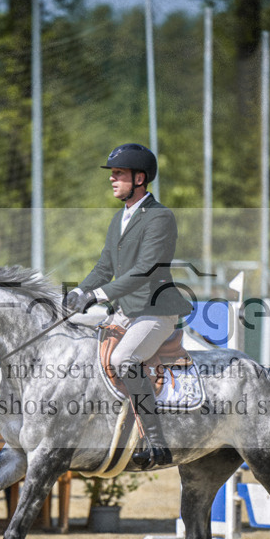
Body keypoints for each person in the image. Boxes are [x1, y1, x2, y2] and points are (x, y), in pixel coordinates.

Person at [65, 143, 193, 470]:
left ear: (140, 178)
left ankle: (156, 441)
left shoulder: (160, 217)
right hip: (125, 311)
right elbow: (105, 266)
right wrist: (80, 290)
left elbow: (144, 270)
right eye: (113, 174)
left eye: (118, 174)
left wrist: (98, 296)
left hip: (155, 310)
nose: (112, 179)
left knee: (124, 358)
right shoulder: (118, 219)